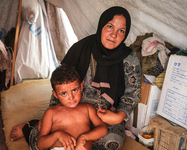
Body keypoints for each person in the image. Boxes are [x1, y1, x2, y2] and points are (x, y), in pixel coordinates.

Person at [10, 6, 141, 150]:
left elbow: (132, 93)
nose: (114, 35)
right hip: (72, 110)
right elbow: (61, 82)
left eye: (121, 30)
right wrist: (52, 115)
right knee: (44, 141)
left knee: (112, 143)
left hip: (106, 117)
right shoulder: (81, 49)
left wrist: (119, 116)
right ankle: (31, 126)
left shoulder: (129, 58)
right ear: (101, 25)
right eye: (110, 26)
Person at [37, 64, 107, 150]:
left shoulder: (87, 108)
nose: (71, 97)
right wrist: (57, 135)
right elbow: (40, 144)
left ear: (81, 87)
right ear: (55, 94)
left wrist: (84, 137)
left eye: (74, 90)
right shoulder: (51, 112)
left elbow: (103, 129)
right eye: (64, 93)